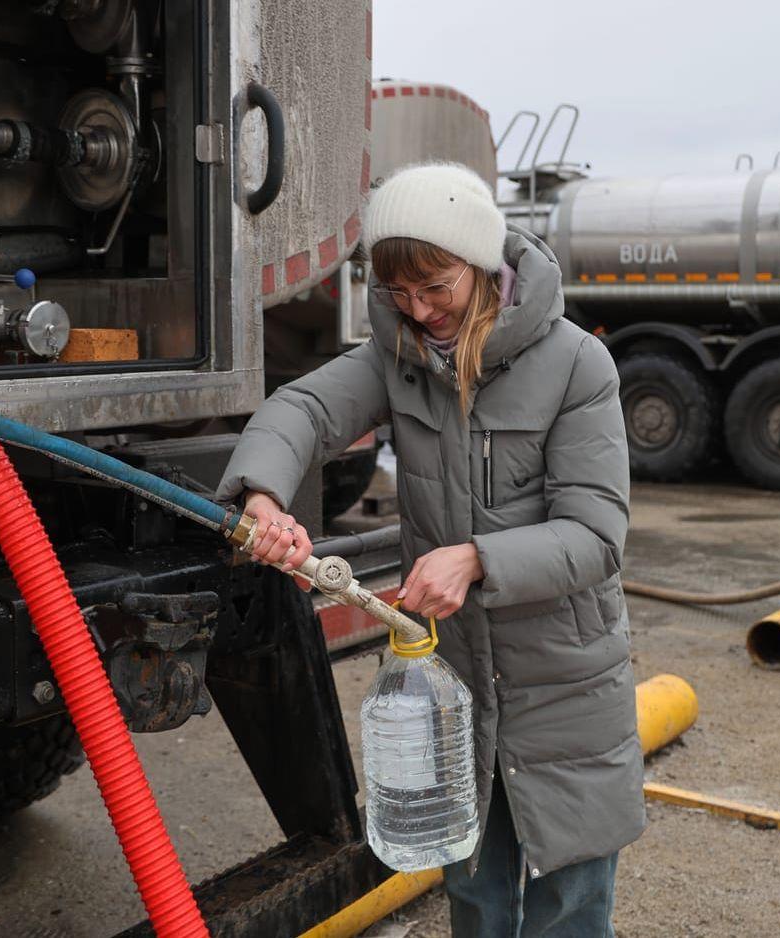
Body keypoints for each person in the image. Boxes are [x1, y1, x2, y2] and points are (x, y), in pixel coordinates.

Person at [216, 162, 643, 936]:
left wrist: (478, 557)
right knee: (474, 893)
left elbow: (596, 535)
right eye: (399, 294)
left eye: (436, 287)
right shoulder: (396, 354)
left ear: (481, 266)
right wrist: (265, 496)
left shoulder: (578, 363)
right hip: (456, 679)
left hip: (563, 684)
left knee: (570, 905)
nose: (420, 311)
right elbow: (302, 409)